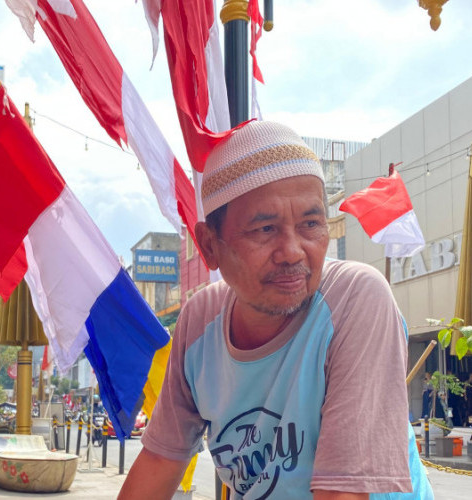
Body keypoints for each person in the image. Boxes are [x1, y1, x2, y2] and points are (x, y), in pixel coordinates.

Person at [119, 121, 432, 499]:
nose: (293, 252)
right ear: (208, 245)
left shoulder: (356, 298)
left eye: (311, 224)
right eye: (265, 229)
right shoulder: (200, 321)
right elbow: (159, 462)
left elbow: (342, 494)